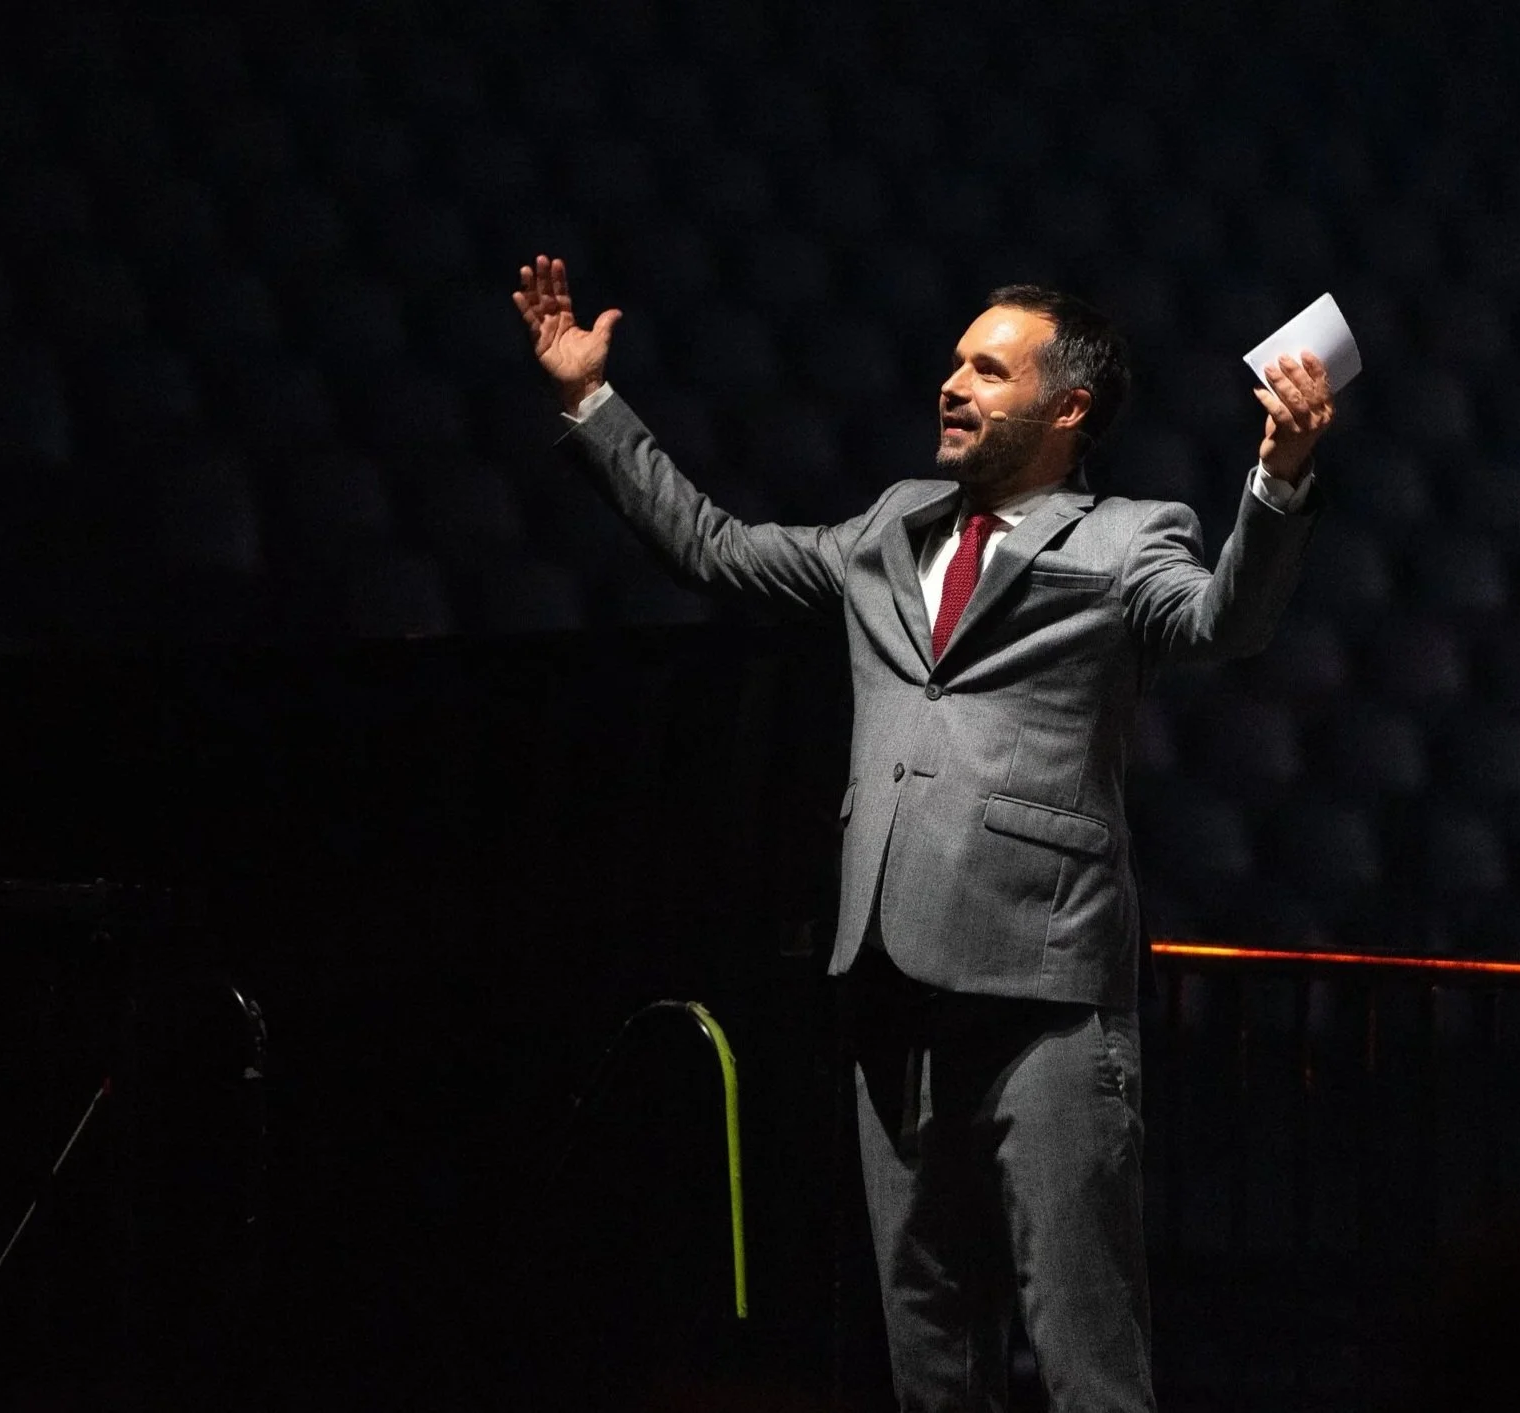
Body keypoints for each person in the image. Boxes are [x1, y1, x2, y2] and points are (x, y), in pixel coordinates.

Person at [512, 253, 1335, 1412]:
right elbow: (713, 547)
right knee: (928, 1352)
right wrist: (590, 403)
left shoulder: (1126, 536)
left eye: (989, 370)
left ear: (1067, 408)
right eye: (954, 362)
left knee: (1085, 1353)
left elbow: (1221, 624)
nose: (952, 383)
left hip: (1045, 993)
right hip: (893, 985)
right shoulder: (893, 528)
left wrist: (1282, 478)